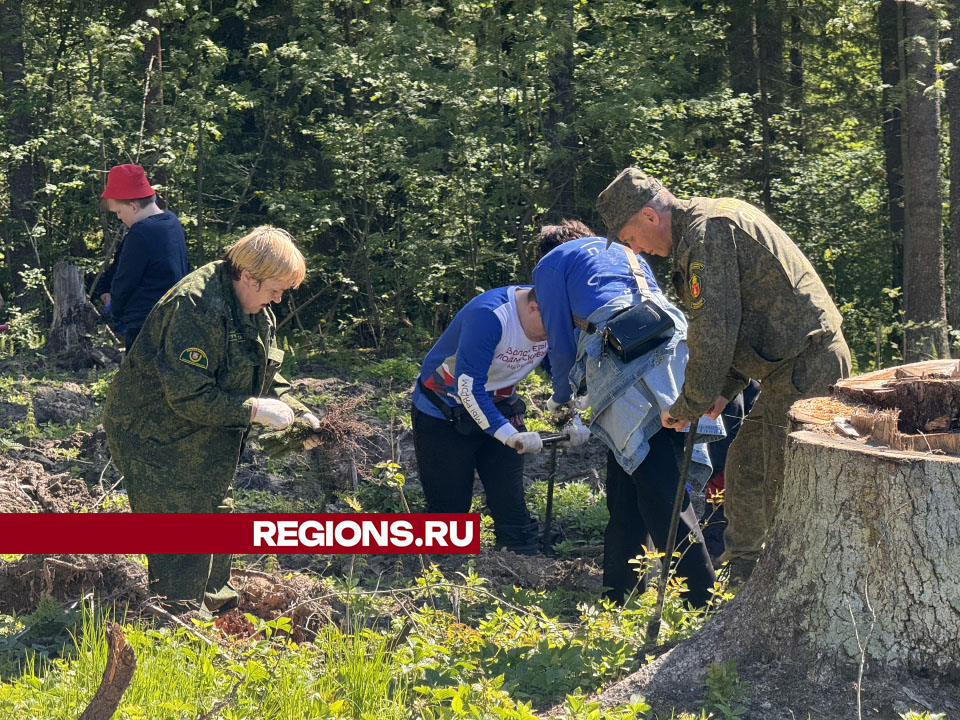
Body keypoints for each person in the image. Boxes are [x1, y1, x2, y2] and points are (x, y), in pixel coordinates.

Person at [596, 167, 851, 583]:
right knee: (746, 469)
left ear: (648, 216)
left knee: (780, 483)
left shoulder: (708, 233)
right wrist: (723, 390)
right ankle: (744, 578)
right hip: (784, 371)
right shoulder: (703, 229)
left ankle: (792, 584)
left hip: (808, 365)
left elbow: (714, 331)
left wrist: (691, 402)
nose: (636, 250)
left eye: (630, 238)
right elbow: (738, 324)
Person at [103, 226, 320, 613]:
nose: (279, 298)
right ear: (249, 276)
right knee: (181, 535)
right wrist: (252, 410)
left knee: (217, 522)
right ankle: (176, 627)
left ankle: (217, 612)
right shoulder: (195, 307)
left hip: (206, 433)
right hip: (157, 436)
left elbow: (265, 371)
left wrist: (299, 414)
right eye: (275, 288)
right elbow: (188, 396)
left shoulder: (255, 308)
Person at [533, 235, 723, 607]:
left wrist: (562, 398)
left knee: (660, 494)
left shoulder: (552, 263)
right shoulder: (624, 252)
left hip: (628, 371)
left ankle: (703, 602)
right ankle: (619, 594)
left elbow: (558, 335)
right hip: (674, 357)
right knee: (626, 490)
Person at [412, 285, 589, 554]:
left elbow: (562, 369)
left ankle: (524, 565)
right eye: (552, 329)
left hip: (499, 404)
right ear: (533, 308)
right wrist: (508, 434)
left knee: (510, 502)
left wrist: (568, 417)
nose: (555, 336)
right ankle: (443, 581)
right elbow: (469, 389)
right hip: (443, 410)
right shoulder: (489, 317)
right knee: (449, 513)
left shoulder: (556, 318)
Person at [99, 164, 189, 350]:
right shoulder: (172, 221)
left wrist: (113, 306)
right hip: (174, 317)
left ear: (132, 207)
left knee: (138, 378)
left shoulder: (140, 232)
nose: (118, 218)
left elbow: (125, 280)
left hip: (144, 323)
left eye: (118, 212)